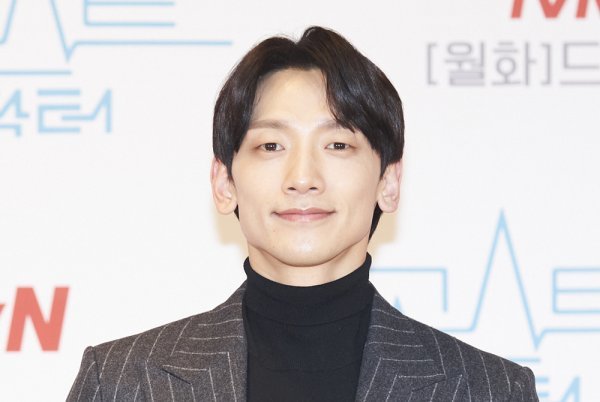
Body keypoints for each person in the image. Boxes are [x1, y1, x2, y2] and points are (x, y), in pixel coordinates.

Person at [67, 26, 539, 401]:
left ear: (389, 183)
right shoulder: (122, 382)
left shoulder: (489, 389)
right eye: (271, 146)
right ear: (224, 182)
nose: (303, 177)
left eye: (338, 145)